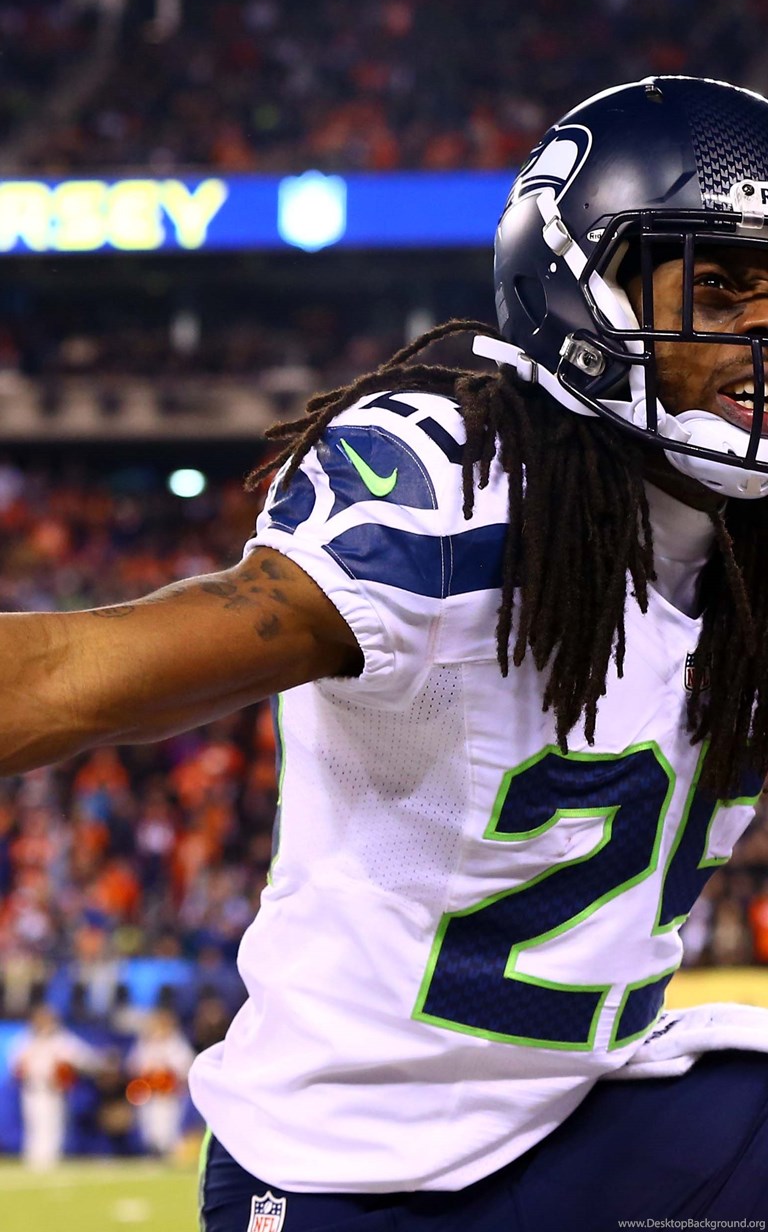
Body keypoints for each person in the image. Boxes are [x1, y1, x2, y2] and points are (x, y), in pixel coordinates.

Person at [2, 75, 768, 1226]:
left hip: (576, 1126)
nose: (762, 329)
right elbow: (76, 680)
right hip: (348, 1173)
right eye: (719, 286)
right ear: (586, 292)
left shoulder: (748, 553)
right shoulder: (458, 493)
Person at [8, 1003, 102, 1168]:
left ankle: (50, 1162)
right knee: (34, 1125)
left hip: (54, 1090)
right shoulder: (24, 1040)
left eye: (47, 1018)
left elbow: (86, 1059)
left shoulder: (62, 1039)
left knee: (53, 1126)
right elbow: (15, 1065)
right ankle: (34, 1162)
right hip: (32, 1088)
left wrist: (69, 1070)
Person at [125, 1005, 195, 1156]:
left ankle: (168, 1153)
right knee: (149, 1128)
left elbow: (187, 1067)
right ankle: (152, 1152)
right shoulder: (145, 1044)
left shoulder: (176, 1044)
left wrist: (167, 1070)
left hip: (169, 1095)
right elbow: (132, 1066)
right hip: (149, 1094)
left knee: (168, 1127)